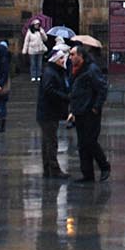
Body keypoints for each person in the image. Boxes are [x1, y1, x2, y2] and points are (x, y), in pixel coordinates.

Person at [65, 42, 110, 182]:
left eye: (72, 54)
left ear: (81, 56)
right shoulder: (75, 70)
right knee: (82, 144)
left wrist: (96, 107)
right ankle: (87, 174)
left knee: (90, 141)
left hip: (90, 111)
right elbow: (74, 92)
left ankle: (104, 166)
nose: (70, 57)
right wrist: (72, 110)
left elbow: (102, 88)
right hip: (79, 111)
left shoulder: (91, 69)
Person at [37, 45, 72, 177]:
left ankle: (48, 168)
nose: (63, 61)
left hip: (49, 112)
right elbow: (49, 90)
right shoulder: (50, 72)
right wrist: (64, 96)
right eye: (61, 58)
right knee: (51, 142)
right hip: (48, 112)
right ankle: (54, 169)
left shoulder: (55, 71)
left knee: (47, 141)